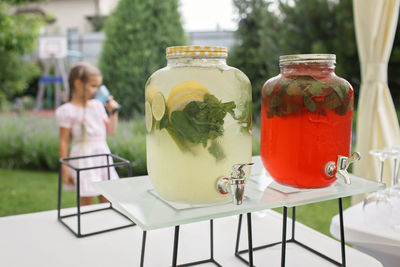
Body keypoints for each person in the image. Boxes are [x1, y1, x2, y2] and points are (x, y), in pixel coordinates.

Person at [55, 62, 120, 206]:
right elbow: (64, 141)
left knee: (108, 196)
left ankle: (106, 225)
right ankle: (86, 225)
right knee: (87, 198)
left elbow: (111, 130)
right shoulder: (67, 110)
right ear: (78, 84)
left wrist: (113, 112)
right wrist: (64, 169)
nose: (97, 90)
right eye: (93, 86)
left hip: (102, 155)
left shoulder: (97, 106)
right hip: (83, 157)